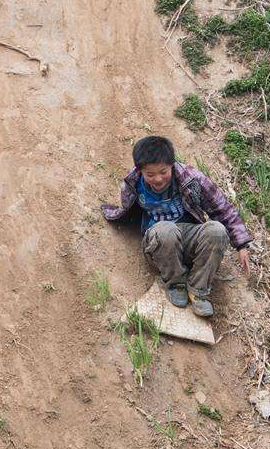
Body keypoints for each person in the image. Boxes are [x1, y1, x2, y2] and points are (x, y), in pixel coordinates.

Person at [100, 136, 252, 318]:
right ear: (140, 171)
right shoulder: (132, 184)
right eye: (150, 174)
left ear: (172, 164)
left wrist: (241, 244)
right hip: (159, 243)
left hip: (188, 236)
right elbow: (127, 208)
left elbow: (223, 208)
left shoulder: (192, 179)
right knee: (166, 229)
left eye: (163, 171)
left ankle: (198, 289)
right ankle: (175, 282)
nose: (158, 179)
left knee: (217, 230)